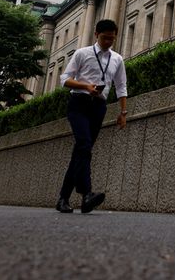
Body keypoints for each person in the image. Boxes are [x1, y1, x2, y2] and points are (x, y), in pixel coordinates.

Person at [55, 18, 128, 214]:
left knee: (81, 152)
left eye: (111, 39)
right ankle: (86, 193)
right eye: (104, 38)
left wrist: (123, 113)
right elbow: (64, 79)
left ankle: (63, 198)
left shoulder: (117, 59)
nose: (107, 42)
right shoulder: (82, 54)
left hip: (99, 107)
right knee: (84, 145)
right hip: (78, 104)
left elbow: (121, 87)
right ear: (96, 35)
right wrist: (86, 86)